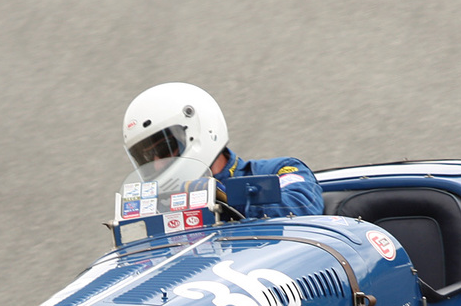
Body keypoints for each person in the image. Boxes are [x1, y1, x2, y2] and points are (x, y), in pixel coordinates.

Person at [122, 82, 325, 218]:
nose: (157, 163)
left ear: (201, 131)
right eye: (146, 157)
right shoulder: (156, 208)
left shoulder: (278, 171)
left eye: (164, 148)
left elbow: (303, 209)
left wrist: (225, 197)